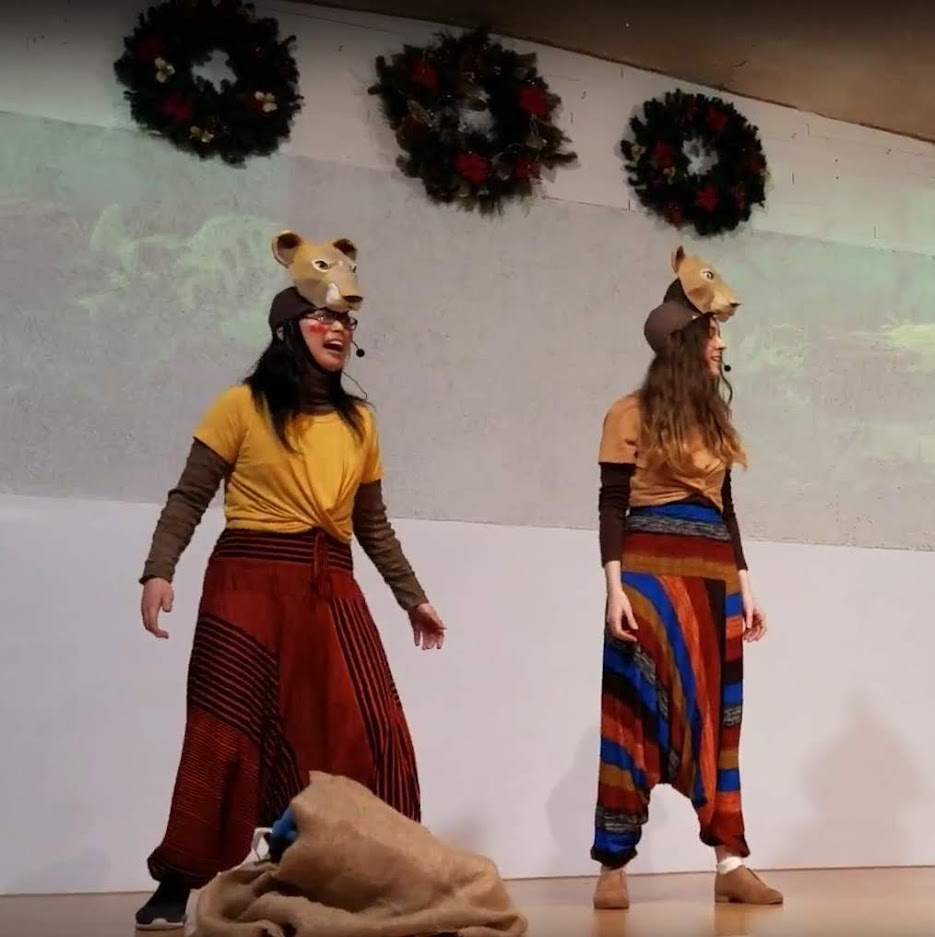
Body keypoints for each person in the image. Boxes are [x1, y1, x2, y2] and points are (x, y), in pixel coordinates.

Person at [133, 233, 446, 930]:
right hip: (245, 582)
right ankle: (177, 882)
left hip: (328, 584)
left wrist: (413, 597)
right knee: (223, 734)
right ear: (287, 329)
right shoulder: (240, 406)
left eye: (346, 321)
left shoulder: (360, 422)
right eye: (323, 318)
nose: (338, 330)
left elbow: (373, 524)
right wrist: (159, 568)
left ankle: (344, 866)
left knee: (369, 731)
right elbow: (189, 496)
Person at [590, 250, 782, 910]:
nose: (721, 344)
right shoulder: (628, 413)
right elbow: (612, 503)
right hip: (648, 578)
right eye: (712, 333)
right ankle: (613, 863)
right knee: (632, 713)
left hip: (712, 581)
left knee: (717, 720)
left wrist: (745, 583)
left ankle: (729, 860)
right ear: (684, 343)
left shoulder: (714, 421)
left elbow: (724, 506)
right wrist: (614, 588)